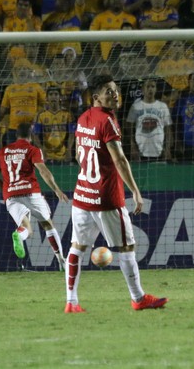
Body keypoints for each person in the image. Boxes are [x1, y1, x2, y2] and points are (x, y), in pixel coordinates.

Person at [65, 74, 167, 313]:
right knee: (126, 247)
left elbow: (79, 155)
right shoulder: (108, 121)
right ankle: (138, 298)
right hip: (105, 197)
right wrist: (135, 191)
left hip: (82, 195)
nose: (114, 95)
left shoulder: (83, 118)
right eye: (108, 91)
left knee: (77, 247)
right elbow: (119, 160)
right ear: (96, 97)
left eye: (115, 91)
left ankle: (71, 302)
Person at [0, 122, 69, 269]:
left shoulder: (2, 151)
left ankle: (19, 235)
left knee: (27, 228)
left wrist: (6, 189)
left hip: (11, 195)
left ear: (16, 135)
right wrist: (57, 190)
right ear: (30, 136)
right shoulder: (32, 150)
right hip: (31, 192)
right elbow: (44, 171)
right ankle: (61, 260)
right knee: (48, 224)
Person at [126, 78, 173, 162]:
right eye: (147, 86)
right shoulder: (135, 106)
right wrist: (132, 146)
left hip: (159, 151)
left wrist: (167, 148)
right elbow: (129, 127)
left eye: (153, 86)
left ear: (156, 89)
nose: (150, 89)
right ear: (142, 90)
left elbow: (168, 129)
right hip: (140, 152)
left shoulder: (162, 106)